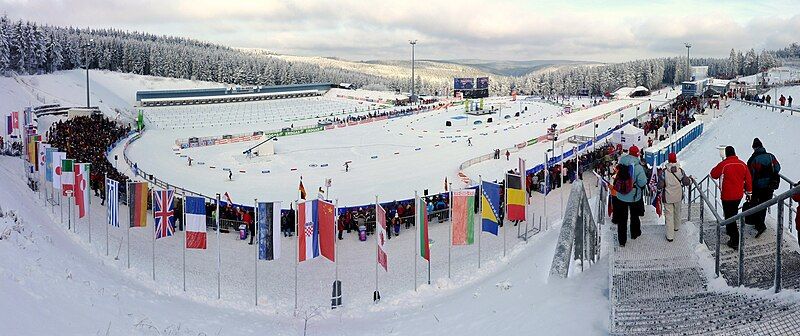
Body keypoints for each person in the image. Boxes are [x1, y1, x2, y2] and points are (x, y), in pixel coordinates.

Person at [710, 146, 752, 249]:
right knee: (733, 213)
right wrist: (749, 192)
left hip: (727, 195)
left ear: (727, 154)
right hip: (738, 195)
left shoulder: (724, 164)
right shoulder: (742, 164)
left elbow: (714, 174)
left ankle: (734, 240)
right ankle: (729, 230)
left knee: (730, 215)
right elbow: (748, 179)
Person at [611, 145, 648, 247]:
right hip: (634, 197)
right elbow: (642, 182)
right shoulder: (638, 167)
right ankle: (634, 233)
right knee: (634, 216)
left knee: (622, 219)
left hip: (620, 195)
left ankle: (622, 241)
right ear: (637, 155)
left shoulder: (621, 163)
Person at [746, 138, 781, 238]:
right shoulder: (771, 156)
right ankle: (761, 223)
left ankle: (760, 224)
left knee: (755, 204)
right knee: (765, 204)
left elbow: (750, 175)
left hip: (757, 186)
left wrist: (748, 188)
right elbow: (778, 168)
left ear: (754, 148)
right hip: (770, 185)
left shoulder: (753, 159)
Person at [661, 153, 688, 242]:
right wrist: (691, 179)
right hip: (678, 196)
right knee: (677, 212)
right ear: (675, 160)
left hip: (668, 197)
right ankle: (676, 227)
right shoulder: (680, 171)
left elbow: (660, 185)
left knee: (669, 216)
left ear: (668, 160)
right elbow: (686, 182)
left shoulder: (664, 172)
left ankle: (670, 236)